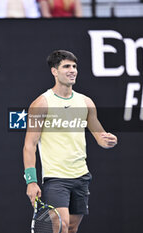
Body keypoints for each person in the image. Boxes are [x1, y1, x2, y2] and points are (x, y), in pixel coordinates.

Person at [23, 50, 117, 233]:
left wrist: (108, 140)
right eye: (66, 66)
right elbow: (29, 145)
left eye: (74, 66)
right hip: (55, 178)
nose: (72, 70)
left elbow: (100, 136)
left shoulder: (86, 102)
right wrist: (31, 181)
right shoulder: (41, 104)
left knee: (72, 228)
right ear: (54, 71)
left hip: (81, 177)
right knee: (61, 225)